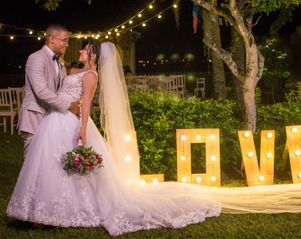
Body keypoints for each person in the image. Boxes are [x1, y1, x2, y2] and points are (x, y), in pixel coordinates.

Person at [6, 40, 221, 236]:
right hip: (54, 121)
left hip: (71, 122)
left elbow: (87, 103)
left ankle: (59, 212)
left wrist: (82, 130)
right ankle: (42, 211)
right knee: (50, 164)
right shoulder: (77, 70)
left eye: (85, 49)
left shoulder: (91, 76)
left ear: (92, 56)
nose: (80, 50)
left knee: (66, 168)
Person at [18, 24, 80, 153]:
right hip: (35, 115)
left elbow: (62, 87)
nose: (67, 44)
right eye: (64, 40)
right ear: (51, 39)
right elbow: (41, 91)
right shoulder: (36, 58)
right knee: (32, 158)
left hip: (52, 117)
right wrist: (68, 105)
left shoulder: (59, 61)